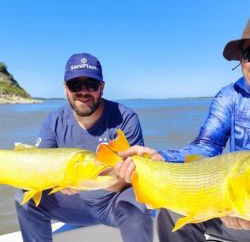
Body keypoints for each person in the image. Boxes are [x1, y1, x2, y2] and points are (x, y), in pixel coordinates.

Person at [115, 19, 250, 242]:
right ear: (241, 61)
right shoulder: (229, 98)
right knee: (172, 210)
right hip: (234, 203)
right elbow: (206, 147)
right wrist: (160, 158)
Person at [15, 53, 153, 242]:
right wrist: (59, 181)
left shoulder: (125, 119)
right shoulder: (53, 121)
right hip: (71, 205)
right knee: (25, 195)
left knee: (136, 202)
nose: (83, 92)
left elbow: (133, 180)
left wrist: (88, 180)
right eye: (75, 85)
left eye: (91, 84)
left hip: (112, 203)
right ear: (65, 88)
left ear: (102, 87)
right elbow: (40, 168)